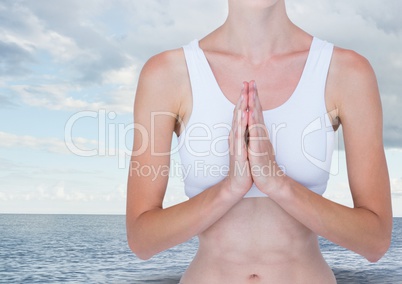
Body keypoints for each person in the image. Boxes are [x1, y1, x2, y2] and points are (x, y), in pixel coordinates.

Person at [126, 0, 393, 283]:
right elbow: (142, 240)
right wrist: (229, 189)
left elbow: (375, 241)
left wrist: (276, 182)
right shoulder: (166, 74)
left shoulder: (347, 72)